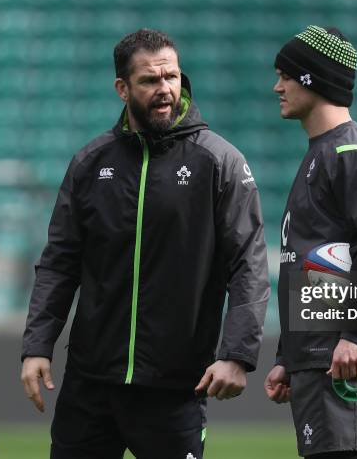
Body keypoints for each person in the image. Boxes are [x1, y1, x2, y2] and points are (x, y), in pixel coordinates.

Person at [20, 28, 270, 459]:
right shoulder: (89, 163)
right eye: (150, 81)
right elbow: (60, 263)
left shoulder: (219, 161)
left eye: (171, 77)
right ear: (122, 88)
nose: (165, 90)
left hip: (174, 387)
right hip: (90, 385)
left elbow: (248, 264)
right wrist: (36, 346)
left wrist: (238, 354)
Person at [264, 25, 357, 459]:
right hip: (321, 352)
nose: (278, 86)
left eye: (285, 75)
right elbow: (306, 261)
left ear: (312, 78)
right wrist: (289, 354)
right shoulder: (322, 154)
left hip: (345, 356)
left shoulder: (352, 155)